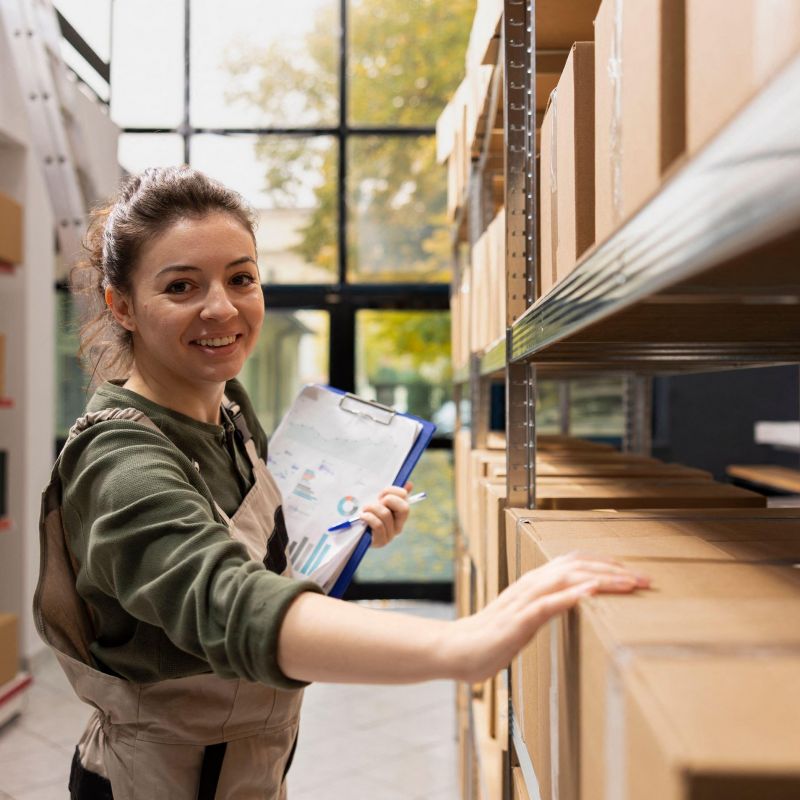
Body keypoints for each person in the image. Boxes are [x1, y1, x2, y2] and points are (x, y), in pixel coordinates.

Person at [35, 166, 649, 800]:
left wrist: (341, 536)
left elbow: (262, 557)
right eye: (181, 286)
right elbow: (227, 601)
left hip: (246, 765)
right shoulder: (120, 460)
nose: (221, 307)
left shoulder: (231, 415)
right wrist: (459, 645)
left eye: (241, 278)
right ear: (122, 306)